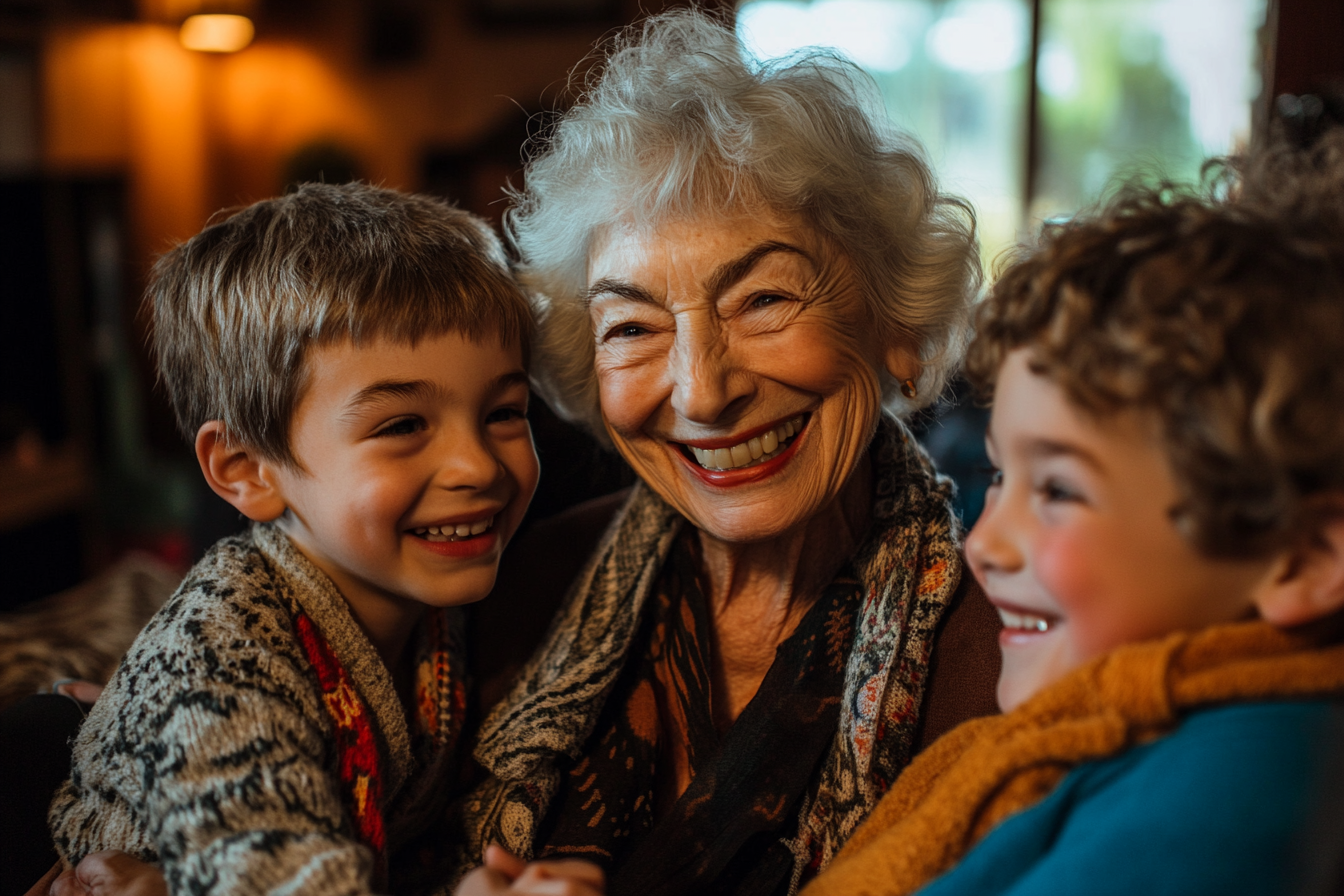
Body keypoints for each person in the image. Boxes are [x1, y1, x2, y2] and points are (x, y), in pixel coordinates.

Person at [452, 9, 998, 896]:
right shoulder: (508, 596)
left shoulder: (1003, 656)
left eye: (764, 300)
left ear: (896, 326)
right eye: (631, 325)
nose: (703, 391)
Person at [801, 139, 1344, 895]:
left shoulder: (1240, 784)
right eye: (997, 474)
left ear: (1306, 555)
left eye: (1057, 490)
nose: (983, 542)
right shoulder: (1106, 747)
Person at [45, 183, 542, 896]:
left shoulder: (434, 609)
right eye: (403, 426)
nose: (479, 465)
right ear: (247, 469)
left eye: (504, 412)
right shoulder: (219, 653)